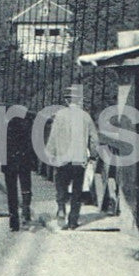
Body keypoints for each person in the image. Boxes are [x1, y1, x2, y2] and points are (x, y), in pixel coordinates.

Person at [46, 85, 98, 230]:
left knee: (61, 187)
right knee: (77, 191)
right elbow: (94, 139)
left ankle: (61, 207)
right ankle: (73, 221)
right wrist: (93, 155)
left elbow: (53, 137)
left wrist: (50, 154)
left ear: (67, 101)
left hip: (63, 159)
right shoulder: (86, 116)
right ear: (80, 100)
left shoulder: (60, 115)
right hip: (79, 160)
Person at [0, 112, 35, 232]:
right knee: (26, 189)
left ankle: (14, 220)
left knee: (11, 192)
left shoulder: (4, 128)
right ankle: (26, 213)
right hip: (24, 161)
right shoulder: (28, 127)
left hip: (9, 162)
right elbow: (33, 145)